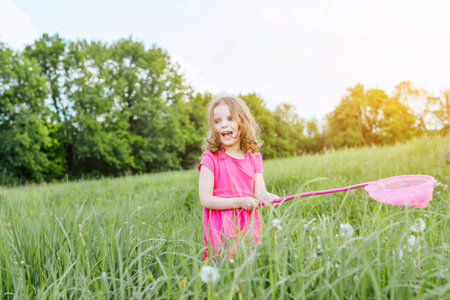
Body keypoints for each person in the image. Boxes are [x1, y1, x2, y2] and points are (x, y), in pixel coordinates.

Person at [198, 96, 279, 259]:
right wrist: (239, 202)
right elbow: (205, 199)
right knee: (223, 271)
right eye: (217, 121)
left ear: (243, 123)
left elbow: (260, 194)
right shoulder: (210, 158)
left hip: (248, 227)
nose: (223, 124)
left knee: (249, 268)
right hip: (220, 228)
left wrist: (270, 198)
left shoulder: (254, 158)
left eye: (230, 118)